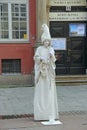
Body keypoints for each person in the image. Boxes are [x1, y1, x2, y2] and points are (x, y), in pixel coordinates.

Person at [33, 24, 59, 123]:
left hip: (48, 74)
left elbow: (53, 61)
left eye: (48, 41)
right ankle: (40, 114)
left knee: (49, 93)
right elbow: (35, 58)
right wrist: (41, 59)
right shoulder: (39, 49)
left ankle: (50, 113)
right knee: (41, 92)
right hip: (41, 74)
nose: (47, 43)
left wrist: (52, 57)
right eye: (45, 41)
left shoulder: (51, 49)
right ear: (43, 41)